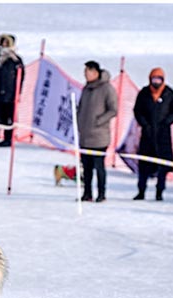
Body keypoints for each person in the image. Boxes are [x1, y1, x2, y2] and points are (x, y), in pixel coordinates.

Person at [132, 67, 173, 201]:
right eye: (154, 79)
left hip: (163, 135)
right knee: (144, 165)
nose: (156, 82)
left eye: (159, 79)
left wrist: (167, 122)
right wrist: (144, 124)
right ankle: (141, 191)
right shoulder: (144, 93)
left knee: (162, 166)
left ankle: (159, 192)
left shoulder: (169, 93)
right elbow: (137, 110)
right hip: (147, 134)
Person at [76, 60, 118, 203]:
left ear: (95, 72)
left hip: (99, 136)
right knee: (86, 168)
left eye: (87, 71)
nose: (85, 75)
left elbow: (113, 110)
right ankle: (87, 193)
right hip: (85, 136)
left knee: (99, 167)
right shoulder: (86, 89)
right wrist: (78, 120)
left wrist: (99, 121)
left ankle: (102, 194)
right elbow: (81, 107)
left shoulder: (107, 89)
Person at [0, 34, 24, 147]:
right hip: (0, 93)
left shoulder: (15, 60)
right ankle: (5, 137)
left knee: (10, 118)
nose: (4, 45)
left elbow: (21, 76)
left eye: (6, 43)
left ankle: (9, 138)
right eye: (3, 43)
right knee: (2, 117)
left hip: (11, 94)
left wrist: (18, 92)